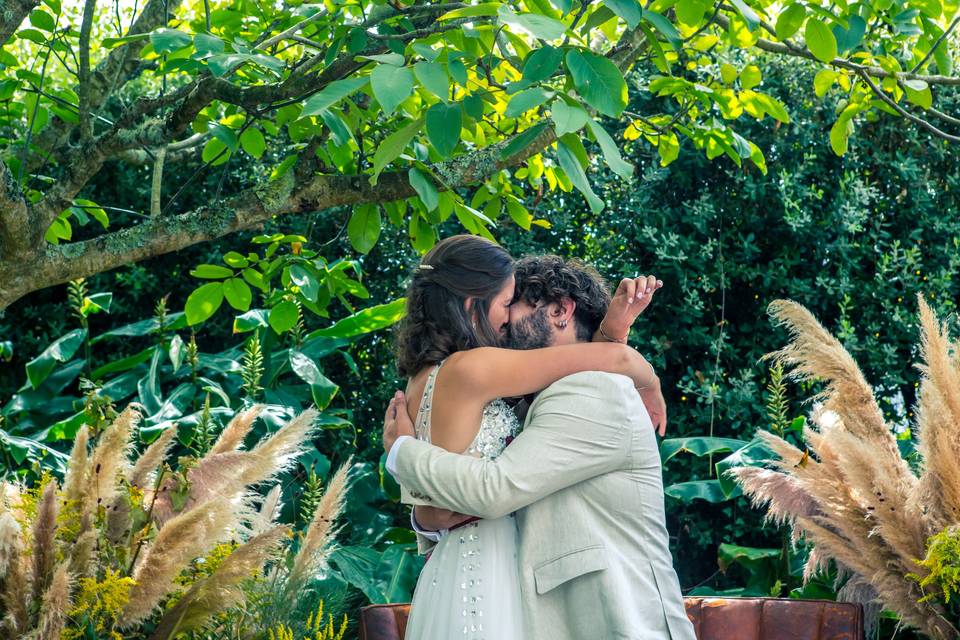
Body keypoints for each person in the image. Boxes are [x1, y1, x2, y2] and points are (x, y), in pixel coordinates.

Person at [384, 254, 695, 640]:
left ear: (561, 310)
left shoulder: (596, 392)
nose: (502, 320)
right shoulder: (527, 400)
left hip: (614, 623)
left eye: (513, 303)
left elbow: (496, 490)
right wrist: (426, 518)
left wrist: (401, 452)